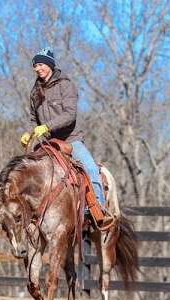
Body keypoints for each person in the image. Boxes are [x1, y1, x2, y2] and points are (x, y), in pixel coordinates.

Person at [20, 47, 106, 209]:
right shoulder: (35, 91)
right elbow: (33, 118)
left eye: (41, 64)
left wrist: (46, 126)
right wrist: (29, 132)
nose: (38, 69)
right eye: (35, 66)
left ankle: (98, 209)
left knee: (91, 169)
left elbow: (70, 115)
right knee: (25, 170)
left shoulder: (65, 85)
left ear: (50, 65)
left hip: (70, 140)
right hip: (47, 143)